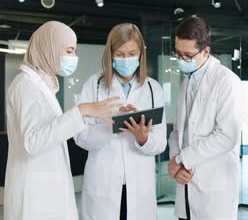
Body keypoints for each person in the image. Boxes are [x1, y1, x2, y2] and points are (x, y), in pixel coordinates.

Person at [4, 21, 122, 220]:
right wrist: (81, 111)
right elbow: (33, 142)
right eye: (69, 51)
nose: (73, 58)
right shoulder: (26, 86)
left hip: (46, 191)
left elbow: (50, 132)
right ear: (50, 48)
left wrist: (84, 115)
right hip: (35, 196)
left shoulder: (42, 86)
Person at [74, 23, 167, 220]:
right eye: (120, 54)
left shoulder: (153, 89)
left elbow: (160, 143)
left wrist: (143, 139)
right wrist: (114, 125)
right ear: (110, 54)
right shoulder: (94, 85)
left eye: (132, 53)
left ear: (141, 53)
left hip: (140, 185)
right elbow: (81, 138)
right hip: (103, 184)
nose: (127, 59)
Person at [167, 17, 243, 220]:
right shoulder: (186, 83)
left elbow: (227, 136)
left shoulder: (227, 81)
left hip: (214, 193)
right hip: (186, 186)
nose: (181, 60)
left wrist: (182, 159)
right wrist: (175, 161)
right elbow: (177, 131)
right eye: (178, 54)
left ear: (206, 51)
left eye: (188, 55)